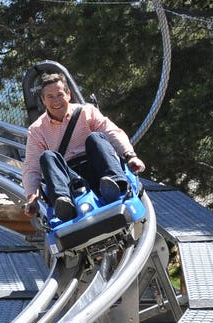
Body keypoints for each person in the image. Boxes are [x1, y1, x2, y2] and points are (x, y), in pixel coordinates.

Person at [22, 72, 146, 221]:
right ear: (43, 100)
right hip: (68, 177)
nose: (56, 101)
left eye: (60, 95)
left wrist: (130, 156)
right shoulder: (37, 130)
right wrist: (32, 197)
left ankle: (115, 185)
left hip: (97, 167)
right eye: (50, 97)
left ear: (68, 94)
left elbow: (112, 132)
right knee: (47, 156)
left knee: (95, 137)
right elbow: (32, 167)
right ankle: (63, 203)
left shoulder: (87, 112)